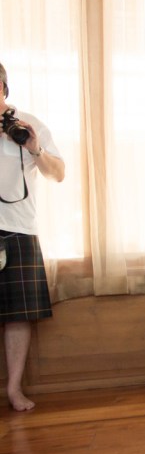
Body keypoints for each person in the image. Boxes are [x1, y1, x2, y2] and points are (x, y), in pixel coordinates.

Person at [0, 61, 65, 412]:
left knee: (18, 315)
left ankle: (14, 389)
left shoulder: (28, 125)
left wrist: (34, 148)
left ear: (3, 88)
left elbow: (59, 174)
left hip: (19, 227)